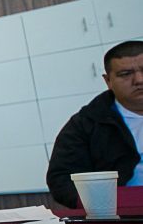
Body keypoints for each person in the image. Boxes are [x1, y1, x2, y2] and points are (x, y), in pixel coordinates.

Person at [47, 41, 143, 207]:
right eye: (125, 74)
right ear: (108, 81)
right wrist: (102, 206)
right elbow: (61, 179)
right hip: (121, 212)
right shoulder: (85, 124)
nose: (139, 80)